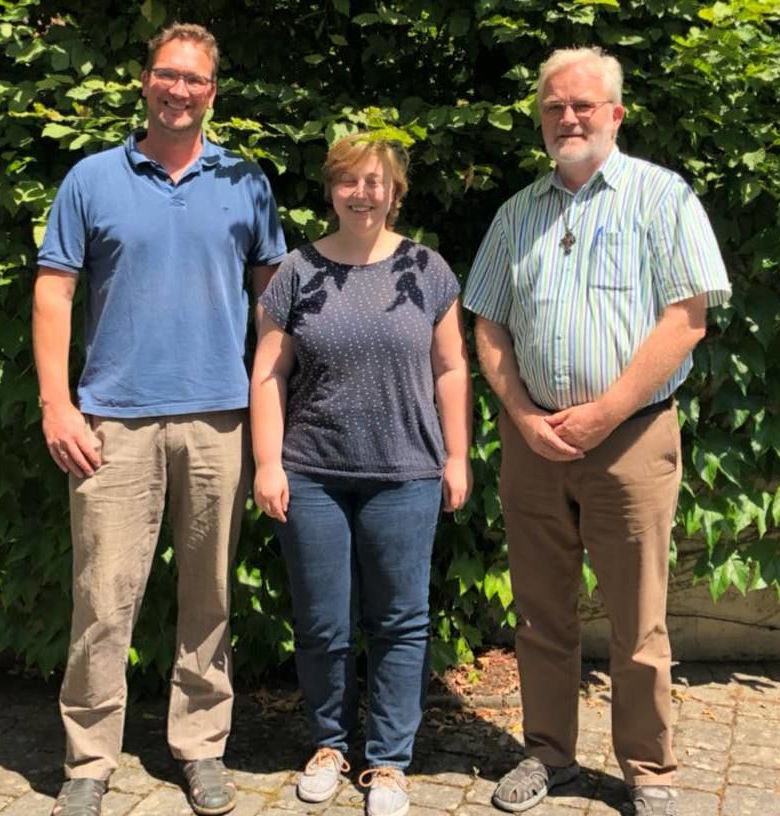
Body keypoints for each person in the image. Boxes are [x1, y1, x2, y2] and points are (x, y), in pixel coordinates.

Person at [464, 47, 730, 816]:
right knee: (539, 613)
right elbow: (488, 324)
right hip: (534, 445)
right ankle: (548, 753)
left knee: (637, 618)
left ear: (614, 113)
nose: (567, 118)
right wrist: (522, 417)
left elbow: (685, 319)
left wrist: (604, 412)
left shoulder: (660, 197)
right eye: (553, 106)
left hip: (630, 441)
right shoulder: (516, 213)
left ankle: (648, 770)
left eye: (582, 105)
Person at [32, 22, 286, 816]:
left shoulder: (245, 180)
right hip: (112, 422)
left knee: (209, 597)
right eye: (167, 74)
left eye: (194, 79)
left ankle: (201, 746)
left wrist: (273, 403)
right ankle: (88, 760)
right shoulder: (91, 178)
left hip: (219, 417)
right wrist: (56, 404)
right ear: (145, 81)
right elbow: (53, 292)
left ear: (213, 92)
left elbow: (272, 298)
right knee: (102, 599)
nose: (179, 89)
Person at [250, 133, 472, 816]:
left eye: (375, 181)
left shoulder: (426, 270)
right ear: (330, 191)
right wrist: (267, 462)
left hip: (406, 471)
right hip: (312, 472)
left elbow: (451, 367)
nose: (362, 193)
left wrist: (457, 455)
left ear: (394, 191)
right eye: (348, 181)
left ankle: (388, 762)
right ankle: (329, 745)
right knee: (322, 623)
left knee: (401, 621)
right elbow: (268, 372)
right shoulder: (297, 271)